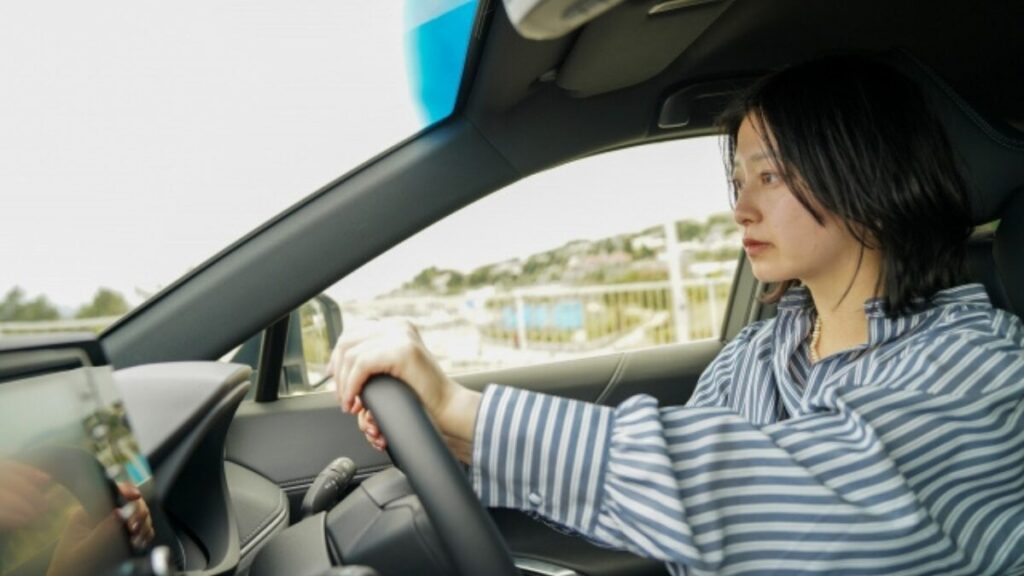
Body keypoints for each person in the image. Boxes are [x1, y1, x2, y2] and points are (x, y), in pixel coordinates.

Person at [327, 56, 1024, 575]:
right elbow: (664, 502)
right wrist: (459, 449)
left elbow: (767, 494)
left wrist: (464, 412)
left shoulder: (982, 371)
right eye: (738, 180)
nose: (741, 207)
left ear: (866, 177)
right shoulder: (763, 351)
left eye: (771, 176)